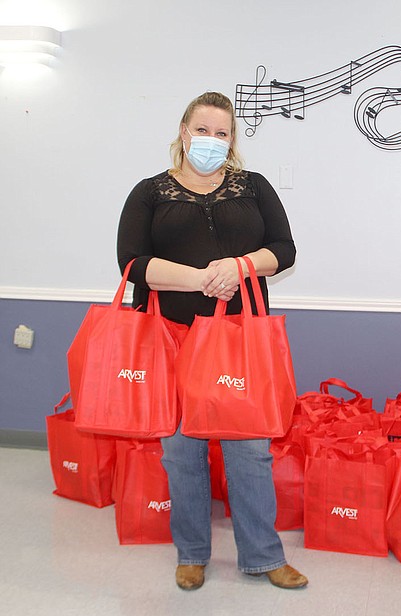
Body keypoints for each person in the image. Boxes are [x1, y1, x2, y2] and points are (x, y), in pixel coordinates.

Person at [117, 91, 307, 592]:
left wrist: (240, 267)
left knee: (251, 451)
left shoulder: (254, 187)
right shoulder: (150, 192)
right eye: (203, 130)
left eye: (222, 133)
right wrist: (201, 278)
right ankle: (192, 553)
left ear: (232, 140)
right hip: (172, 342)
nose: (212, 141)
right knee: (182, 453)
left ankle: (264, 556)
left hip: (240, 341)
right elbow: (132, 265)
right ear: (184, 132)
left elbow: (284, 250)